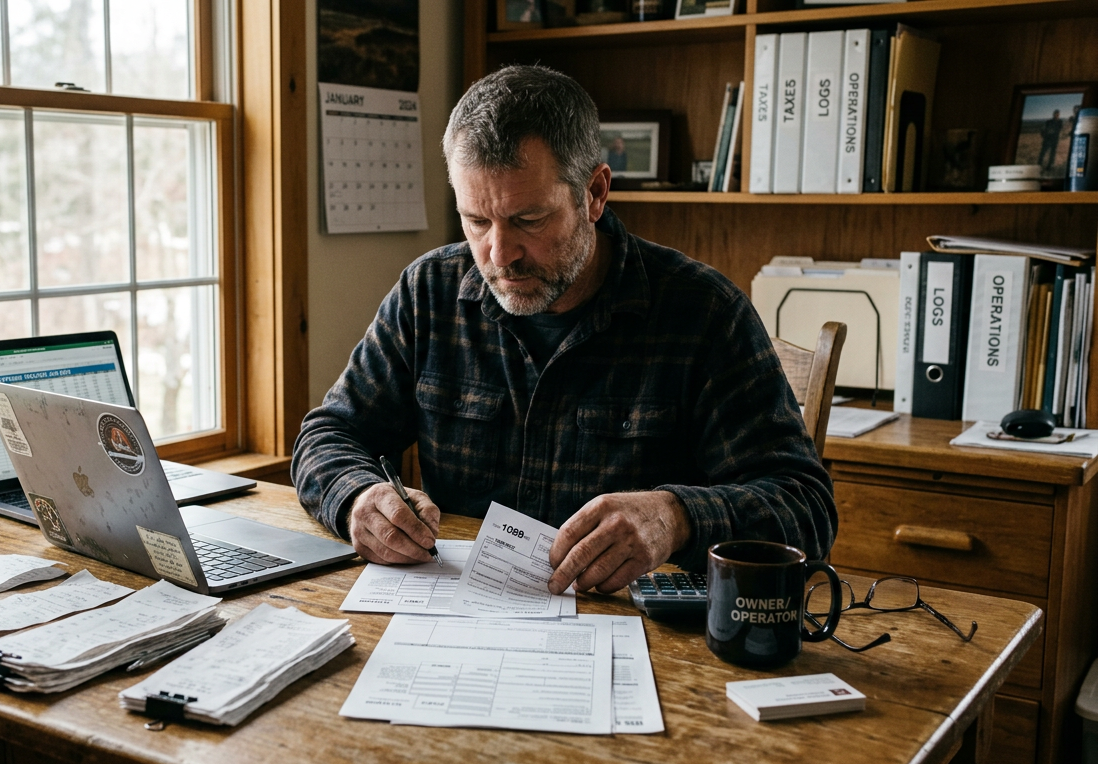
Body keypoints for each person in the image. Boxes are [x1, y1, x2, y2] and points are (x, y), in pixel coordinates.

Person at [292, 65, 836, 596]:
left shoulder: (703, 314)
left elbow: (805, 504)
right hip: (459, 618)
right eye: (476, 221)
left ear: (595, 194)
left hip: (643, 640)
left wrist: (677, 517)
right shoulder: (429, 294)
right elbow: (327, 436)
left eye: (528, 220)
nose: (499, 255)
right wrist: (357, 497)